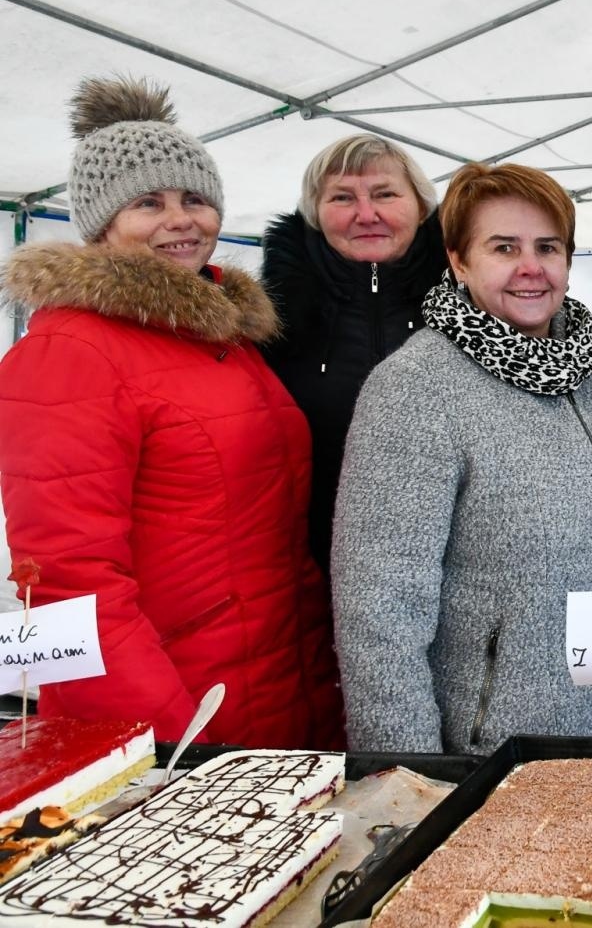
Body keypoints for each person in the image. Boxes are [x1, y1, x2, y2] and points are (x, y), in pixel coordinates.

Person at [0, 76, 342, 747]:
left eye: (194, 198)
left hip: (277, 681)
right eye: (148, 203)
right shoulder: (71, 351)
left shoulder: (220, 334)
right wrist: (165, 747)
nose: (181, 220)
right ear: (102, 225)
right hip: (181, 707)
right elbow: (69, 585)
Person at [331, 162, 592, 754]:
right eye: (503, 247)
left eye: (548, 247)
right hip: (500, 753)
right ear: (459, 260)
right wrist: (409, 777)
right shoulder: (415, 386)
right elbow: (379, 613)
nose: (530, 267)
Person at [259, 135, 447, 575]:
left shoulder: (470, 305)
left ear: (421, 208)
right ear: (315, 213)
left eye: (385, 194)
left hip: (446, 563)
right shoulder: (267, 320)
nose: (367, 214)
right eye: (343, 197)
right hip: (303, 571)